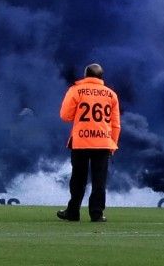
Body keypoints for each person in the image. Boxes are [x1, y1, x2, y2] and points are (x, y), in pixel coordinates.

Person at [57, 63, 122, 223]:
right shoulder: (111, 94)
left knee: (78, 179)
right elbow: (116, 124)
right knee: (99, 181)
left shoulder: (76, 90)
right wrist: (113, 143)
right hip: (103, 142)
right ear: (101, 77)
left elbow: (65, 116)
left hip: (81, 141)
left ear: (86, 75)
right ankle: (97, 214)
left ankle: (73, 212)